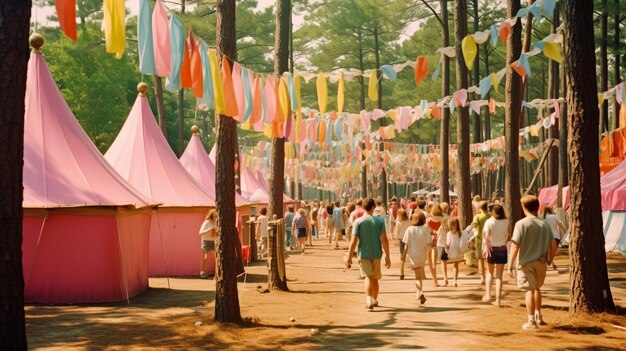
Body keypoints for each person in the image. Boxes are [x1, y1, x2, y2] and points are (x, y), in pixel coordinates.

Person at [510, 195, 556, 330]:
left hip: (525, 263)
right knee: (537, 288)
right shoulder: (544, 224)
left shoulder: (521, 224)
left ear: (524, 208)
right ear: (537, 207)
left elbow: (515, 245)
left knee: (529, 290)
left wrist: (511, 264)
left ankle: (531, 321)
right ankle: (538, 315)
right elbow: (554, 245)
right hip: (541, 262)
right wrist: (550, 260)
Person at [346, 198, 391, 311]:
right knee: (375, 278)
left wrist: (349, 256)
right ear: (372, 208)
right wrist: (387, 256)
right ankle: (375, 299)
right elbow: (384, 239)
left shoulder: (358, 221)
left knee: (368, 277)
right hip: (376, 253)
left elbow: (353, 240)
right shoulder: (380, 221)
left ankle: (369, 300)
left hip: (364, 254)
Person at [401, 211, 431, 305]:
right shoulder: (425, 229)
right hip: (422, 254)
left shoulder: (409, 229)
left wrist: (403, 255)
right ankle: (418, 293)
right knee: (419, 276)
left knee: (417, 277)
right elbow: (429, 243)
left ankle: (420, 292)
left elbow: (406, 245)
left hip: (413, 255)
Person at [482, 204, 510, 306]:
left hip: (491, 249)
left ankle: (488, 295)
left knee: (489, 272)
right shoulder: (506, 222)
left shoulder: (489, 222)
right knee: (499, 276)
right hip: (502, 248)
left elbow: (486, 237)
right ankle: (498, 299)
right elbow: (508, 235)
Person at [472, 201, 490, 285]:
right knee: (488, 260)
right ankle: (489, 275)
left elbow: (474, 226)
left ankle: (482, 277)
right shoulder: (490, 216)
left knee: (480, 260)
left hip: (479, 240)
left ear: (479, 208)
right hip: (489, 241)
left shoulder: (477, 217)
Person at [426, 203, 443, 287]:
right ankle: (436, 279)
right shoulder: (442, 220)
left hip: (429, 241)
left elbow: (426, 231)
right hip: (438, 241)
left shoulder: (428, 220)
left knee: (430, 262)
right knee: (435, 262)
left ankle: (434, 279)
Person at [445, 218, 465, 287]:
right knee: (456, 266)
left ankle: (452, 280)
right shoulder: (460, 232)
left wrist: (446, 249)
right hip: (458, 250)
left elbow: (448, 243)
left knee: (454, 265)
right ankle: (455, 280)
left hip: (452, 251)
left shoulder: (449, 233)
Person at [198, 209, 217, 279]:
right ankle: (202, 272)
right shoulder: (206, 222)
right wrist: (209, 230)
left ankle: (217, 273)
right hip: (205, 241)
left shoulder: (215, 223)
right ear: (211, 215)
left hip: (213, 241)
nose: (216, 216)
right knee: (205, 257)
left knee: (216, 258)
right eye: (215, 214)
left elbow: (215, 233)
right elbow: (200, 232)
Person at [394, 209, 411, 280]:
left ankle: (401, 272)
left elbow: (397, 233)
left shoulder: (398, 222)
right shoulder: (409, 221)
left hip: (401, 239)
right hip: (409, 239)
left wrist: (396, 237)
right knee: (410, 254)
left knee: (402, 256)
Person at [437, 202, 451, 286]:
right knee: (453, 260)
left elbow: (437, 230)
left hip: (441, 241)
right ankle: (454, 278)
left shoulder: (439, 218)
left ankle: (445, 277)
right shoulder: (450, 218)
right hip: (449, 241)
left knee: (443, 261)